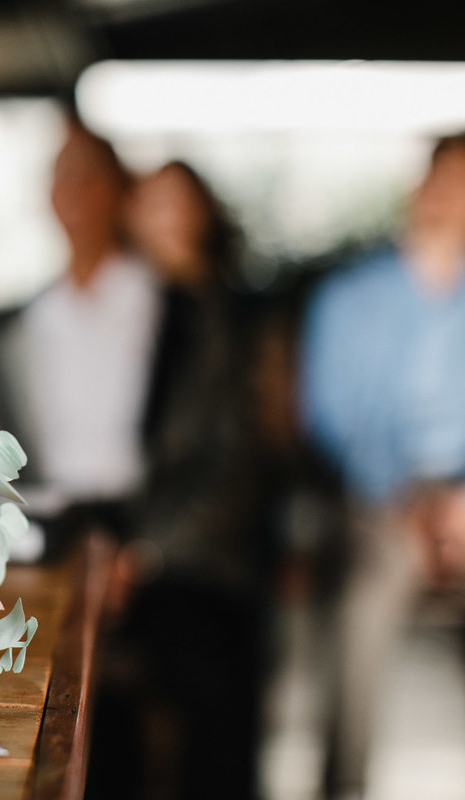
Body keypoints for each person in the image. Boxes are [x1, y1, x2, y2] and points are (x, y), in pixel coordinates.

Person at [87, 161, 266, 800]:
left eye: (179, 204)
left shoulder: (229, 320)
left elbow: (233, 462)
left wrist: (146, 554)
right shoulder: (114, 314)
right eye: (152, 204)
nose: (167, 220)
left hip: (201, 556)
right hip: (120, 551)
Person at [300, 132, 465, 799]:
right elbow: (328, 415)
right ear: (418, 188)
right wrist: (406, 500)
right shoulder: (346, 297)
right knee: (363, 601)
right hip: (378, 497)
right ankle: (345, 783)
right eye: (445, 181)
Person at [0, 118, 162, 557]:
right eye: (62, 176)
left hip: (149, 542)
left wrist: (149, 550)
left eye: (89, 175)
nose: (75, 191)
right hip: (44, 535)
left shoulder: (171, 312)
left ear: (121, 190)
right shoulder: (14, 326)